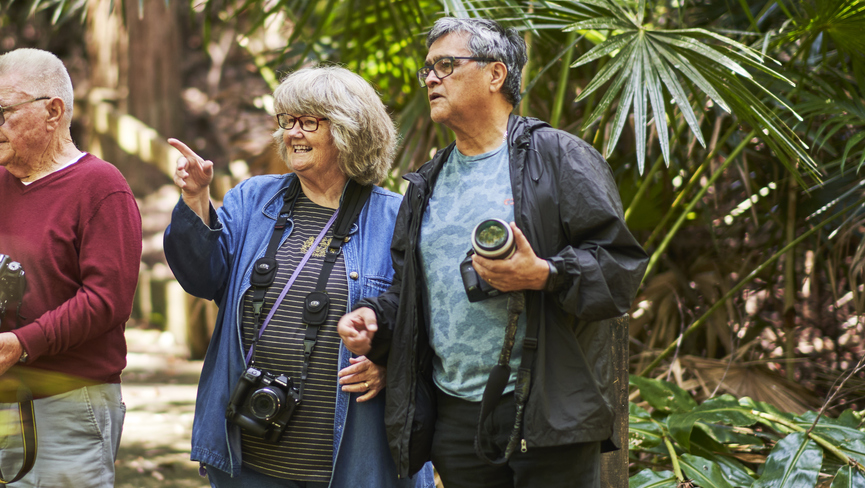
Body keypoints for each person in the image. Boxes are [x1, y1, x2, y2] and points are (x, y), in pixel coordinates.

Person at [336, 18, 648, 488]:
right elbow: (411, 291)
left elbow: (620, 267)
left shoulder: (560, 156)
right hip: (456, 417)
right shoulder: (427, 180)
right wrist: (374, 319)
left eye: (445, 65)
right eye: (428, 70)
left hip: (548, 410)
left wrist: (542, 273)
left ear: (496, 74)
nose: (432, 79)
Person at [165, 67, 434, 488]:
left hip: (354, 460)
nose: (292, 133)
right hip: (250, 456)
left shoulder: (396, 217)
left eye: (308, 121)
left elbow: (431, 320)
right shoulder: (254, 199)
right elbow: (202, 277)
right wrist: (196, 198)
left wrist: (391, 365)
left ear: (349, 130)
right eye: (286, 120)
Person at [0, 48, 141, 487]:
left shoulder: (101, 188)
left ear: (53, 111)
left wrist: (22, 344)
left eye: (0, 112)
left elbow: (106, 302)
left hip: (67, 407)